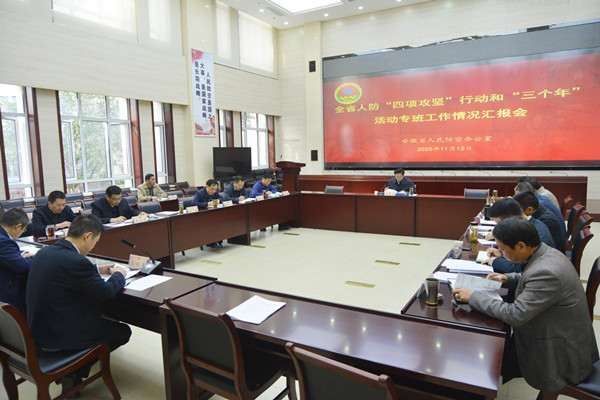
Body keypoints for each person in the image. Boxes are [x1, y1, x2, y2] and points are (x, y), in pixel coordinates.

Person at [452, 217, 598, 394]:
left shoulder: (546, 272)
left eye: (503, 249)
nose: (501, 253)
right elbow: (531, 278)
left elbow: (515, 314)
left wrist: (473, 296)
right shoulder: (546, 253)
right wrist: (508, 278)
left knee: (486, 353)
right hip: (561, 335)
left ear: (521, 246)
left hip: (562, 356)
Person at [26, 214, 131, 397]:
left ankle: (72, 373)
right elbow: (105, 292)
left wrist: (97, 269)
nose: (94, 246)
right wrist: (118, 275)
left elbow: (64, 272)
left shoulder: (45, 252)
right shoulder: (76, 261)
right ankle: (73, 372)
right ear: (87, 236)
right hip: (60, 335)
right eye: (95, 241)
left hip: (39, 331)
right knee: (122, 331)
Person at [484, 198, 554, 273]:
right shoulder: (530, 224)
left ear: (510, 219)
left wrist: (496, 261)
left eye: (500, 224)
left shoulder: (535, 231)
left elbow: (521, 269)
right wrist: (503, 254)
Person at [0, 208, 34, 312]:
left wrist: (21, 255)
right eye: (23, 230)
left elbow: (7, 255)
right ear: (18, 227)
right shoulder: (3, 241)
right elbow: (22, 265)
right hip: (6, 293)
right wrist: (38, 256)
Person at [192, 179, 223, 247]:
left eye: (215, 189)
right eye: (212, 189)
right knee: (213, 222)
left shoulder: (215, 192)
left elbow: (222, 198)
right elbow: (194, 203)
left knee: (221, 220)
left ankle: (218, 240)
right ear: (207, 186)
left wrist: (219, 200)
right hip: (202, 215)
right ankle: (212, 242)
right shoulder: (200, 193)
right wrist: (207, 204)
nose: (214, 191)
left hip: (213, 213)